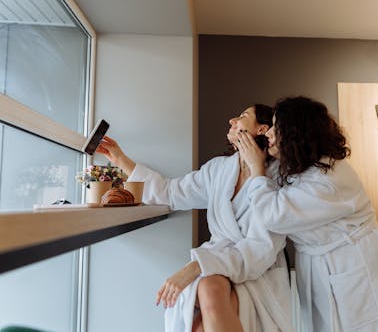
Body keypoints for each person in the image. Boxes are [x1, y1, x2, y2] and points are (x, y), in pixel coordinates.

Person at [96, 104, 294, 332]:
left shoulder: (279, 177)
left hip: (258, 273)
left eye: (242, 116)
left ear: (262, 129)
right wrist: (121, 159)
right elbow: (170, 193)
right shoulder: (219, 170)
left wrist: (195, 267)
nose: (232, 120)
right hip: (218, 264)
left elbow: (262, 249)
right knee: (202, 307)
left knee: (202, 309)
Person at [237, 96, 378, 332]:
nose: (269, 133)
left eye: (277, 127)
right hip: (322, 265)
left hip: (356, 264)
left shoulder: (329, 179)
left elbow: (273, 216)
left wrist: (256, 169)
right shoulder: (303, 166)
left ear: (296, 132)